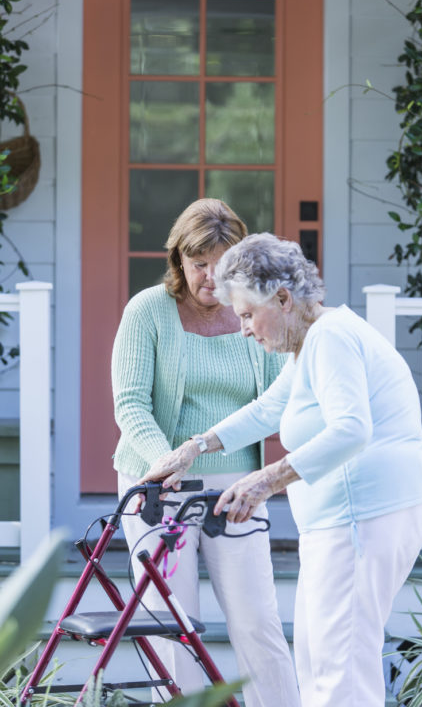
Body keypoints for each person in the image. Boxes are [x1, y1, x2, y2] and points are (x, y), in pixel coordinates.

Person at [137, 232, 422, 707]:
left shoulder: (332, 338)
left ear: (281, 298)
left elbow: (352, 429)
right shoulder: (309, 342)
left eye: (247, 314)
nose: (243, 330)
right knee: (321, 659)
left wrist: (265, 480)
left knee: (341, 665)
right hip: (341, 520)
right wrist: (194, 447)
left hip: (365, 514)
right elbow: (267, 410)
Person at [112, 200, 300, 707]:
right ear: (179, 261)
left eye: (222, 264)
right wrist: (166, 462)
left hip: (236, 493)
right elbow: (130, 404)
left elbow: (272, 404)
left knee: (258, 621)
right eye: (199, 264)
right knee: (171, 626)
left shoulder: (254, 316)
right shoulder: (147, 311)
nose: (211, 277)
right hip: (159, 490)